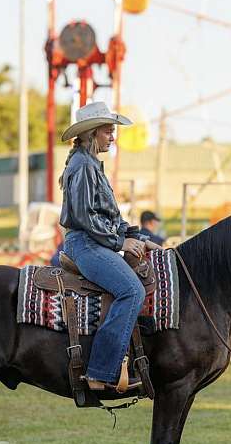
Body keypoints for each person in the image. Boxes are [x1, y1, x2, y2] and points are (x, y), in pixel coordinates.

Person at [59, 101, 161, 394]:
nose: (112, 137)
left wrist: (137, 237)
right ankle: (100, 372)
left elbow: (106, 215)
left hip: (94, 241)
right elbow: (84, 216)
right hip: (87, 245)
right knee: (132, 291)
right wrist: (119, 242)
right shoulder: (83, 166)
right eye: (108, 131)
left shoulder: (89, 164)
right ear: (92, 133)